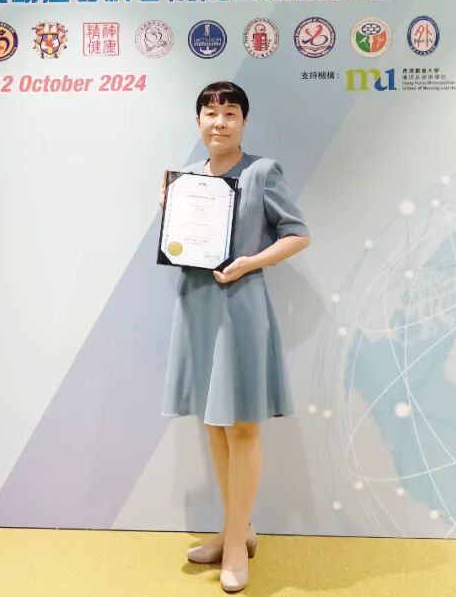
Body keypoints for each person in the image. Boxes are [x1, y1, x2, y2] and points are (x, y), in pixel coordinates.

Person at [159, 80, 311, 593]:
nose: (219, 121)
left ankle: (235, 543)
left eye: (230, 113)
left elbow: (298, 234)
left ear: (244, 122)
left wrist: (250, 263)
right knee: (212, 423)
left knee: (241, 427)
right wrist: (169, 212)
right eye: (211, 112)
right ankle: (235, 531)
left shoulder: (262, 172)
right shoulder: (186, 178)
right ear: (198, 121)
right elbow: (180, 245)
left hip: (242, 307)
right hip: (197, 306)